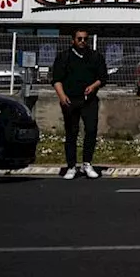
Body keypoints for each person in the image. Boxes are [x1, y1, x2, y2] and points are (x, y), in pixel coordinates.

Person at [51, 29, 108, 180]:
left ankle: (87, 163)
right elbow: (56, 79)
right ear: (73, 40)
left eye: (85, 39)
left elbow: (103, 77)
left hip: (89, 100)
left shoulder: (95, 56)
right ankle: (71, 166)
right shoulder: (64, 57)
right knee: (71, 132)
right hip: (70, 100)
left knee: (91, 130)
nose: (82, 42)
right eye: (79, 39)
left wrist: (93, 86)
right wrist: (62, 96)